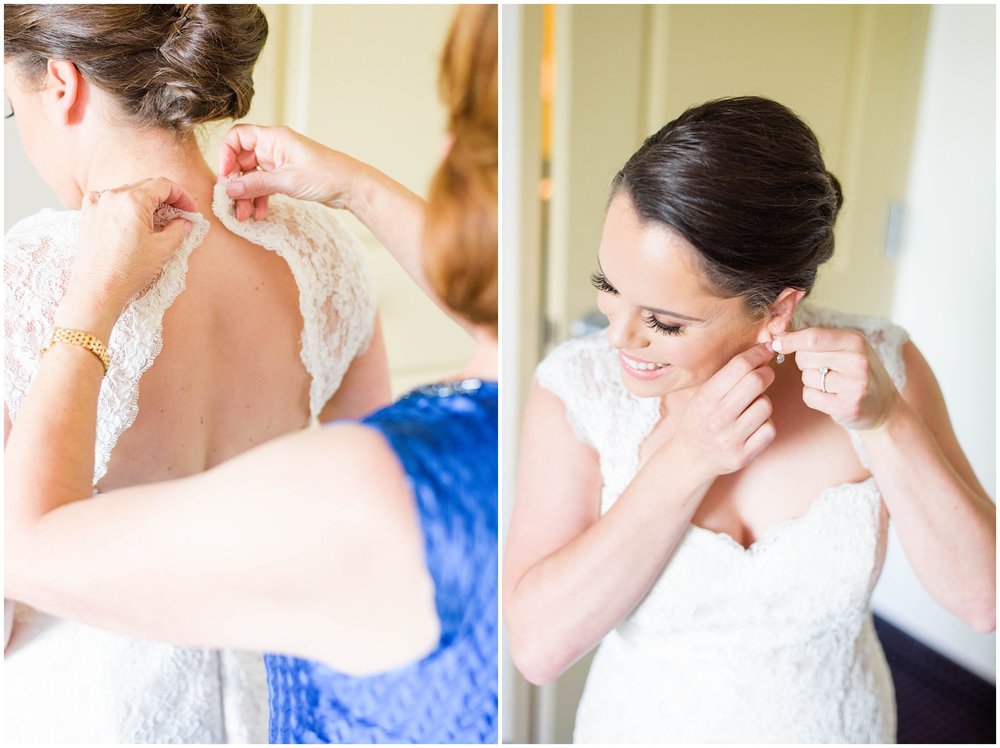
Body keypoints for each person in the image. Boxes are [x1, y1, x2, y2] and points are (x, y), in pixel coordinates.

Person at [5, 4, 498, 744]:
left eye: (13, 112)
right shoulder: (321, 251)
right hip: (283, 695)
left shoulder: (26, 278)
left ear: (64, 85)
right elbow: (368, 501)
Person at [503, 96, 995, 743]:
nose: (616, 335)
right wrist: (685, 462)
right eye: (609, 285)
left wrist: (887, 424)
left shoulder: (886, 366)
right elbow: (538, 649)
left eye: (664, 321)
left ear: (776, 310)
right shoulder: (578, 389)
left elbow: (982, 600)